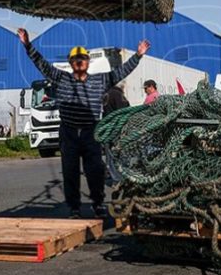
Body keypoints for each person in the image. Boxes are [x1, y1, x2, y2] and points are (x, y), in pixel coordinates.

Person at [17, 30, 150, 218]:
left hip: (90, 133)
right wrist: (28, 45)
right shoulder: (61, 78)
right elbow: (41, 64)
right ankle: (74, 208)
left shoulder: (100, 80)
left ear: (88, 62)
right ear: (71, 63)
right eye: (76, 59)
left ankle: (98, 204)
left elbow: (121, 72)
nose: (80, 62)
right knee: (70, 172)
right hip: (69, 133)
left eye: (83, 59)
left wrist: (138, 55)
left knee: (95, 171)